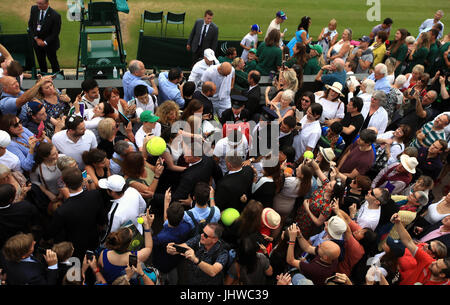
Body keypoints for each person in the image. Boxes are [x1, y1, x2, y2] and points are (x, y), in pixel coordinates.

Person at [44, 167, 106, 260]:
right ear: (82, 181)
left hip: (74, 248)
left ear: (65, 184)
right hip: (93, 240)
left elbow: (52, 231)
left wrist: (44, 237)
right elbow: (102, 218)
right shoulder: (94, 195)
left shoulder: (62, 211)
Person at [391, 213, 450, 285]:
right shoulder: (428, 261)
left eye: (436, 265)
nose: (433, 262)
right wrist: (398, 223)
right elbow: (408, 242)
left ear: (442, 275)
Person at [98, 208, 154, 284]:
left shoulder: (103, 254)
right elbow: (148, 248)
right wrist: (147, 226)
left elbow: (101, 269)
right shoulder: (134, 257)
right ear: (128, 244)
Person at [295, 159, 345, 239]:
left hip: (307, 223)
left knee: (298, 236)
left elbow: (318, 222)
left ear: (332, 192)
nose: (327, 183)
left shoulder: (328, 206)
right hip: (301, 213)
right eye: (330, 183)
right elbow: (317, 169)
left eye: (330, 185)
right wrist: (311, 162)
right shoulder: (326, 185)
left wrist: (308, 209)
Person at [0, 184, 40, 250]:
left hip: (6, 246)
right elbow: (36, 222)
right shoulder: (25, 207)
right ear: (11, 199)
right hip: (26, 239)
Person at [27, 0, 61, 73]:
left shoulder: (55, 15)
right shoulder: (34, 9)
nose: (38, 5)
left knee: (53, 63)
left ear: (47, 4)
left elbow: (55, 33)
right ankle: (43, 78)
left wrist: (45, 42)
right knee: (41, 62)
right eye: (37, 3)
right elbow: (30, 25)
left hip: (50, 44)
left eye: (40, 4)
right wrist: (36, 39)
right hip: (37, 43)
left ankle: (57, 78)